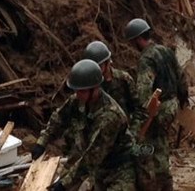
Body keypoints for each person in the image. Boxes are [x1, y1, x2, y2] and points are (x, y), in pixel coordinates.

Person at [31, 59, 136, 191]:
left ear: (95, 88)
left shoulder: (110, 116)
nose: (77, 94)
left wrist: (64, 184)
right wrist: (42, 141)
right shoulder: (78, 100)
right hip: (99, 169)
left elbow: (91, 158)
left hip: (120, 171)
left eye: (82, 91)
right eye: (76, 90)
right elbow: (59, 118)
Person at [124, 18, 189, 191]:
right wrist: (183, 100)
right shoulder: (166, 51)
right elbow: (182, 77)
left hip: (158, 108)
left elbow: (144, 90)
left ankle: (157, 184)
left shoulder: (146, 59)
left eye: (132, 41)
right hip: (173, 104)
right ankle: (164, 183)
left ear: (138, 39)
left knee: (149, 148)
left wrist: (141, 116)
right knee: (161, 144)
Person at [83, 40, 146, 125]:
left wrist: (133, 131)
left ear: (108, 63)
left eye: (99, 66)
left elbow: (139, 109)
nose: (96, 70)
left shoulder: (123, 79)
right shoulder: (87, 84)